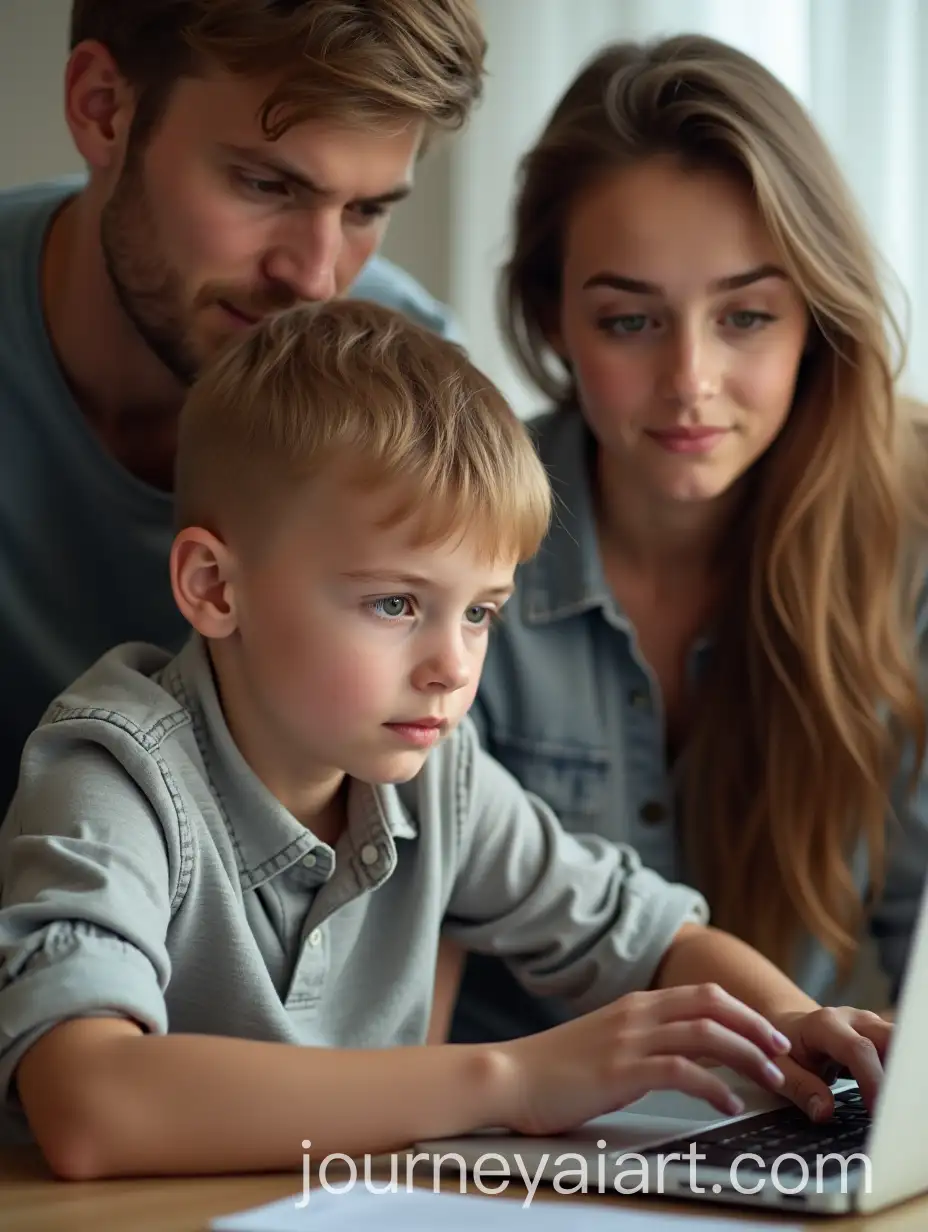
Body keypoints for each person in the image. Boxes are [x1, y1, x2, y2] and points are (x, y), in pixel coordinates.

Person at [0, 301, 891, 1177]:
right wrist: (508, 1077)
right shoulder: (113, 774)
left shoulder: (435, 775)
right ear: (215, 588)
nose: (451, 666)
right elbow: (88, 1102)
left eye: (481, 612)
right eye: (395, 604)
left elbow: (653, 935)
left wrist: (794, 1021)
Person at [446, 34, 928, 1047]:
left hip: (792, 1137)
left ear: (816, 317)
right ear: (552, 317)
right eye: (630, 321)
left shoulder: (908, 536)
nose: (690, 379)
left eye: (746, 315)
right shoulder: (444, 537)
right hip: (496, 1152)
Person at [0, 0, 484, 815]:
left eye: (366, 211)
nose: (317, 278)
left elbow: (438, 845)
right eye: (265, 184)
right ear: (102, 109)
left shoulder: (412, 391)